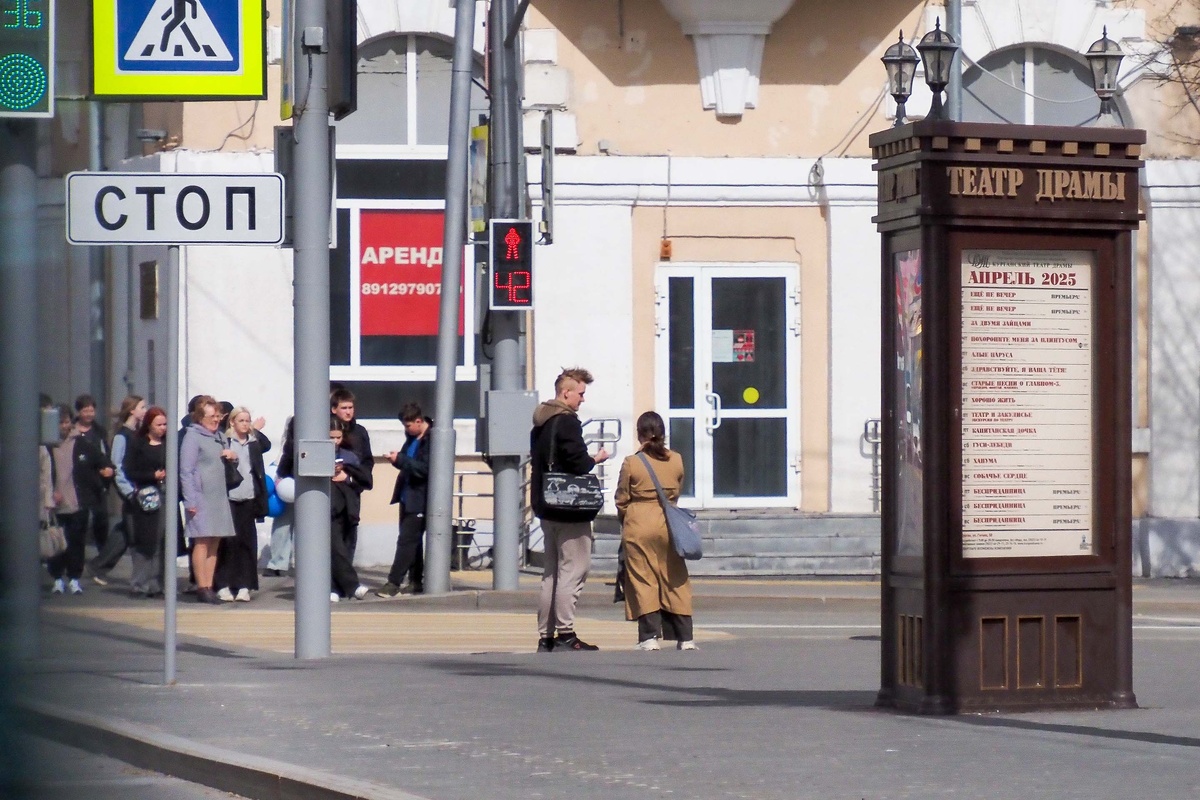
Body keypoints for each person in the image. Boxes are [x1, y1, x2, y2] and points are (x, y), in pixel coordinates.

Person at [530, 368, 609, 652]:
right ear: (566, 393)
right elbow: (578, 463)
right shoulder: (566, 423)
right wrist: (595, 457)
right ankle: (566, 633)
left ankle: (545, 636)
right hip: (569, 507)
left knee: (551, 573)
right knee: (574, 569)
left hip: (545, 505)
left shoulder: (540, 422)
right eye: (581, 394)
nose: (582, 400)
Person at [614, 411, 696, 651]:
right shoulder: (677, 459)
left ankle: (649, 637)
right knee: (675, 578)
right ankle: (685, 637)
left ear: (640, 435)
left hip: (639, 521)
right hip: (669, 522)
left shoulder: (632, 462)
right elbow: (677, 491)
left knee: (643, 579)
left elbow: (621, 498)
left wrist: (626, 518)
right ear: (663, 433)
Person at [180, 396, 238, 604]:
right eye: (211, 416)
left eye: (218, 416)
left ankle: (209, 586)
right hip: (200, 497)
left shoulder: (221, 436)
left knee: (215, 540)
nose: (216, 420)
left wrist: (233, 456)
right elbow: (186, 471)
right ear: (200, 417)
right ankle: (202, 587)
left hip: (219, 496)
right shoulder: (192, 437)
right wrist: (190, 501)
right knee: (202, 540)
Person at [86, 395, 146, 585]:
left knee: (126, 530)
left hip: (137, 488)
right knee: (128, 529)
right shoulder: (122, 435)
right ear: (132, 410)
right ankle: (99, 566)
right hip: (130, 489)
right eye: (142, 407)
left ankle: (99, 565)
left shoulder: (137, 433)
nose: (145, 411)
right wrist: (128, 490)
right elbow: (117, 465)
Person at [215, 407, 271, 602]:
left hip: (249, 497)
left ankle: (245, 585)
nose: (245, 424)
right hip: (229, 497)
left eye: (248, 420)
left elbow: (267, 445)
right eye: (241, 420)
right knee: (228, 543)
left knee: (247, 543)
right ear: (232, 422)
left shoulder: (253, 443)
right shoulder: (225, 440)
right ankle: (223, 584)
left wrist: (255, 429)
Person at [376, 403, 432, 598]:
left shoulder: (432, 439)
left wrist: (399, 460)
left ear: (419, 421)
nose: (406, 429)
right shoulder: (412, 438)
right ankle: (415, 580)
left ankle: (393, 582)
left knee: (407, 541)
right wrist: (397, 460)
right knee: (413, 542)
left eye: (408, 425)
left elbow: (425, 469)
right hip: (407, 496)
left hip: (420, 497)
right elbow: (409, 464)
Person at [123, 406, 169, 598]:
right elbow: (129, 470)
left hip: (165, 494)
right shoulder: (138, 443)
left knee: (161, 539)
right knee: (145, 540)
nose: (162, 428)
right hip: (145, 496)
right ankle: (139, 583)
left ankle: (156, 584)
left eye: (165, 424)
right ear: (149, 425)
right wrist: (152, 475)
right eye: (158, 424)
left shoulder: (169, 444)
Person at [47, 405, 91, 595]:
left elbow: (98, 462)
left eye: (66, 422)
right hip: (53, 504)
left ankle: (74, 578)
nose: (63, 426)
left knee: (75, 542)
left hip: (76, 502)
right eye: (59, 422)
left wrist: (105, 472)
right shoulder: (46, 445)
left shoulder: (80, 443)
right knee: (55, 544)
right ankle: (57, 578)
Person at [328, 416, 370, 601]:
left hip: (347, 509)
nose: (335, 442)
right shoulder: (316, 454)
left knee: (343, 549)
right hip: (328, 510)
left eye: (338, 437)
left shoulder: (349, 456)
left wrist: (347, 477)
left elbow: (365, 482)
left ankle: (336, 588)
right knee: (335, 548)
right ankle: (352, 586)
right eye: (331, 437)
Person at [330, 387, 373, 559]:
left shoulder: (359, 431)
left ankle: (346, 575)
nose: (348, 412)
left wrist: (357, 478)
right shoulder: (328, 428)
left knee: (350, 530)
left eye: (351, 408)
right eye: (344, 408)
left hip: (352, 487)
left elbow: (367, 460)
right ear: (334, 409)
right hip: (333, 489)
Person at [71, 394, 114, 554]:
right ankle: (77, 552)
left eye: (92, 410)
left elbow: (106, 455)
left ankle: (102, 552)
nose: (89, 414)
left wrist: (108, 470)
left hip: (97, 481)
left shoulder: (99, 431)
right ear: (79, 411)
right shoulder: (72, 430)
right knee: (79, 520)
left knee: (101, 518)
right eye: (85, 410)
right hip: (77, 482)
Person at [263, 416, 295, 578]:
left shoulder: (327, 422)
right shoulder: (293, 420)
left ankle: (306, 562)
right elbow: (286, 449)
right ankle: (277, 563)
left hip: (313, 480)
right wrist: (280, 473)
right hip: (288, 478)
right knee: (283, 521)